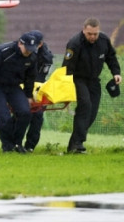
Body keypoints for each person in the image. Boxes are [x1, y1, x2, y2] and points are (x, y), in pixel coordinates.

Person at [62, 17, 121, 154]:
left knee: (92, 112)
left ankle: (74, 144)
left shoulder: (104, 40)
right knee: (85, 106)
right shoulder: (74, 43)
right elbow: (67, 68)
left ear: (98, 31)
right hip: (78, 79)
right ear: (84, 31)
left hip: (94, 80)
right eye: (90, 34)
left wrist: (116, 73)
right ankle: (78, 144)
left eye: (95, 34)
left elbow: (111, 57)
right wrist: (67, 90)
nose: (93, 37)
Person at [23, 30, 54, 152]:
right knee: (21, 115)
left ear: (40, 44)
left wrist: (33, 93)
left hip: (37, 88)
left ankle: (30, 146)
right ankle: (14, 144)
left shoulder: (46, 57)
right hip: (22, 86)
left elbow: (40, 78)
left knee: (37, 116)